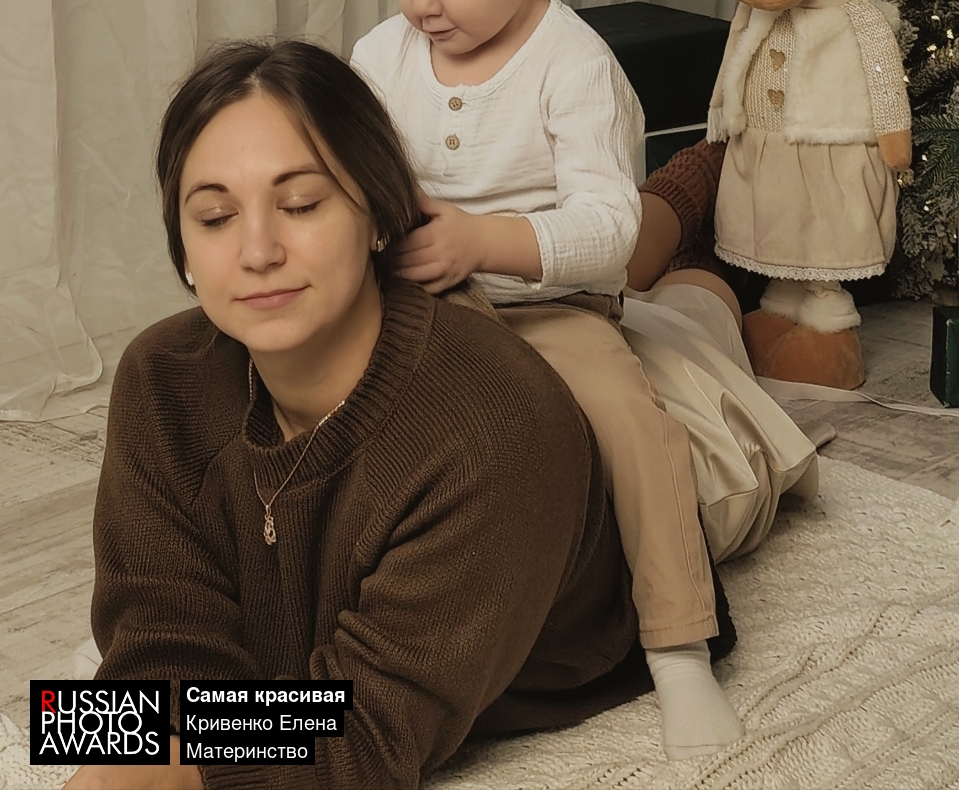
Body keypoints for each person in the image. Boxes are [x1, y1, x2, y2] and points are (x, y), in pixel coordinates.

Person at [63, 40, 735, 790]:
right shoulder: (160, 377)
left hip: (660, 481)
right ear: (183, 248)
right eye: (215, 217)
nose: (257, 251)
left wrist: (177, 765)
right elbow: (150, 645)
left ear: (379, 217)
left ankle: (709, 218)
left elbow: (365, 733)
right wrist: (140, 743)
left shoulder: (495, 427)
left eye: (300, 205)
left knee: (701, 327)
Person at [350, 0, 745, 760]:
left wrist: (482, 241)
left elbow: (610, 229)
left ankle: (677, 643)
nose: (420, 3)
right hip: (414, 301)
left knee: (625, 415)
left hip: (547, 303)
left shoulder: (573, 65)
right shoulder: (381, 56)